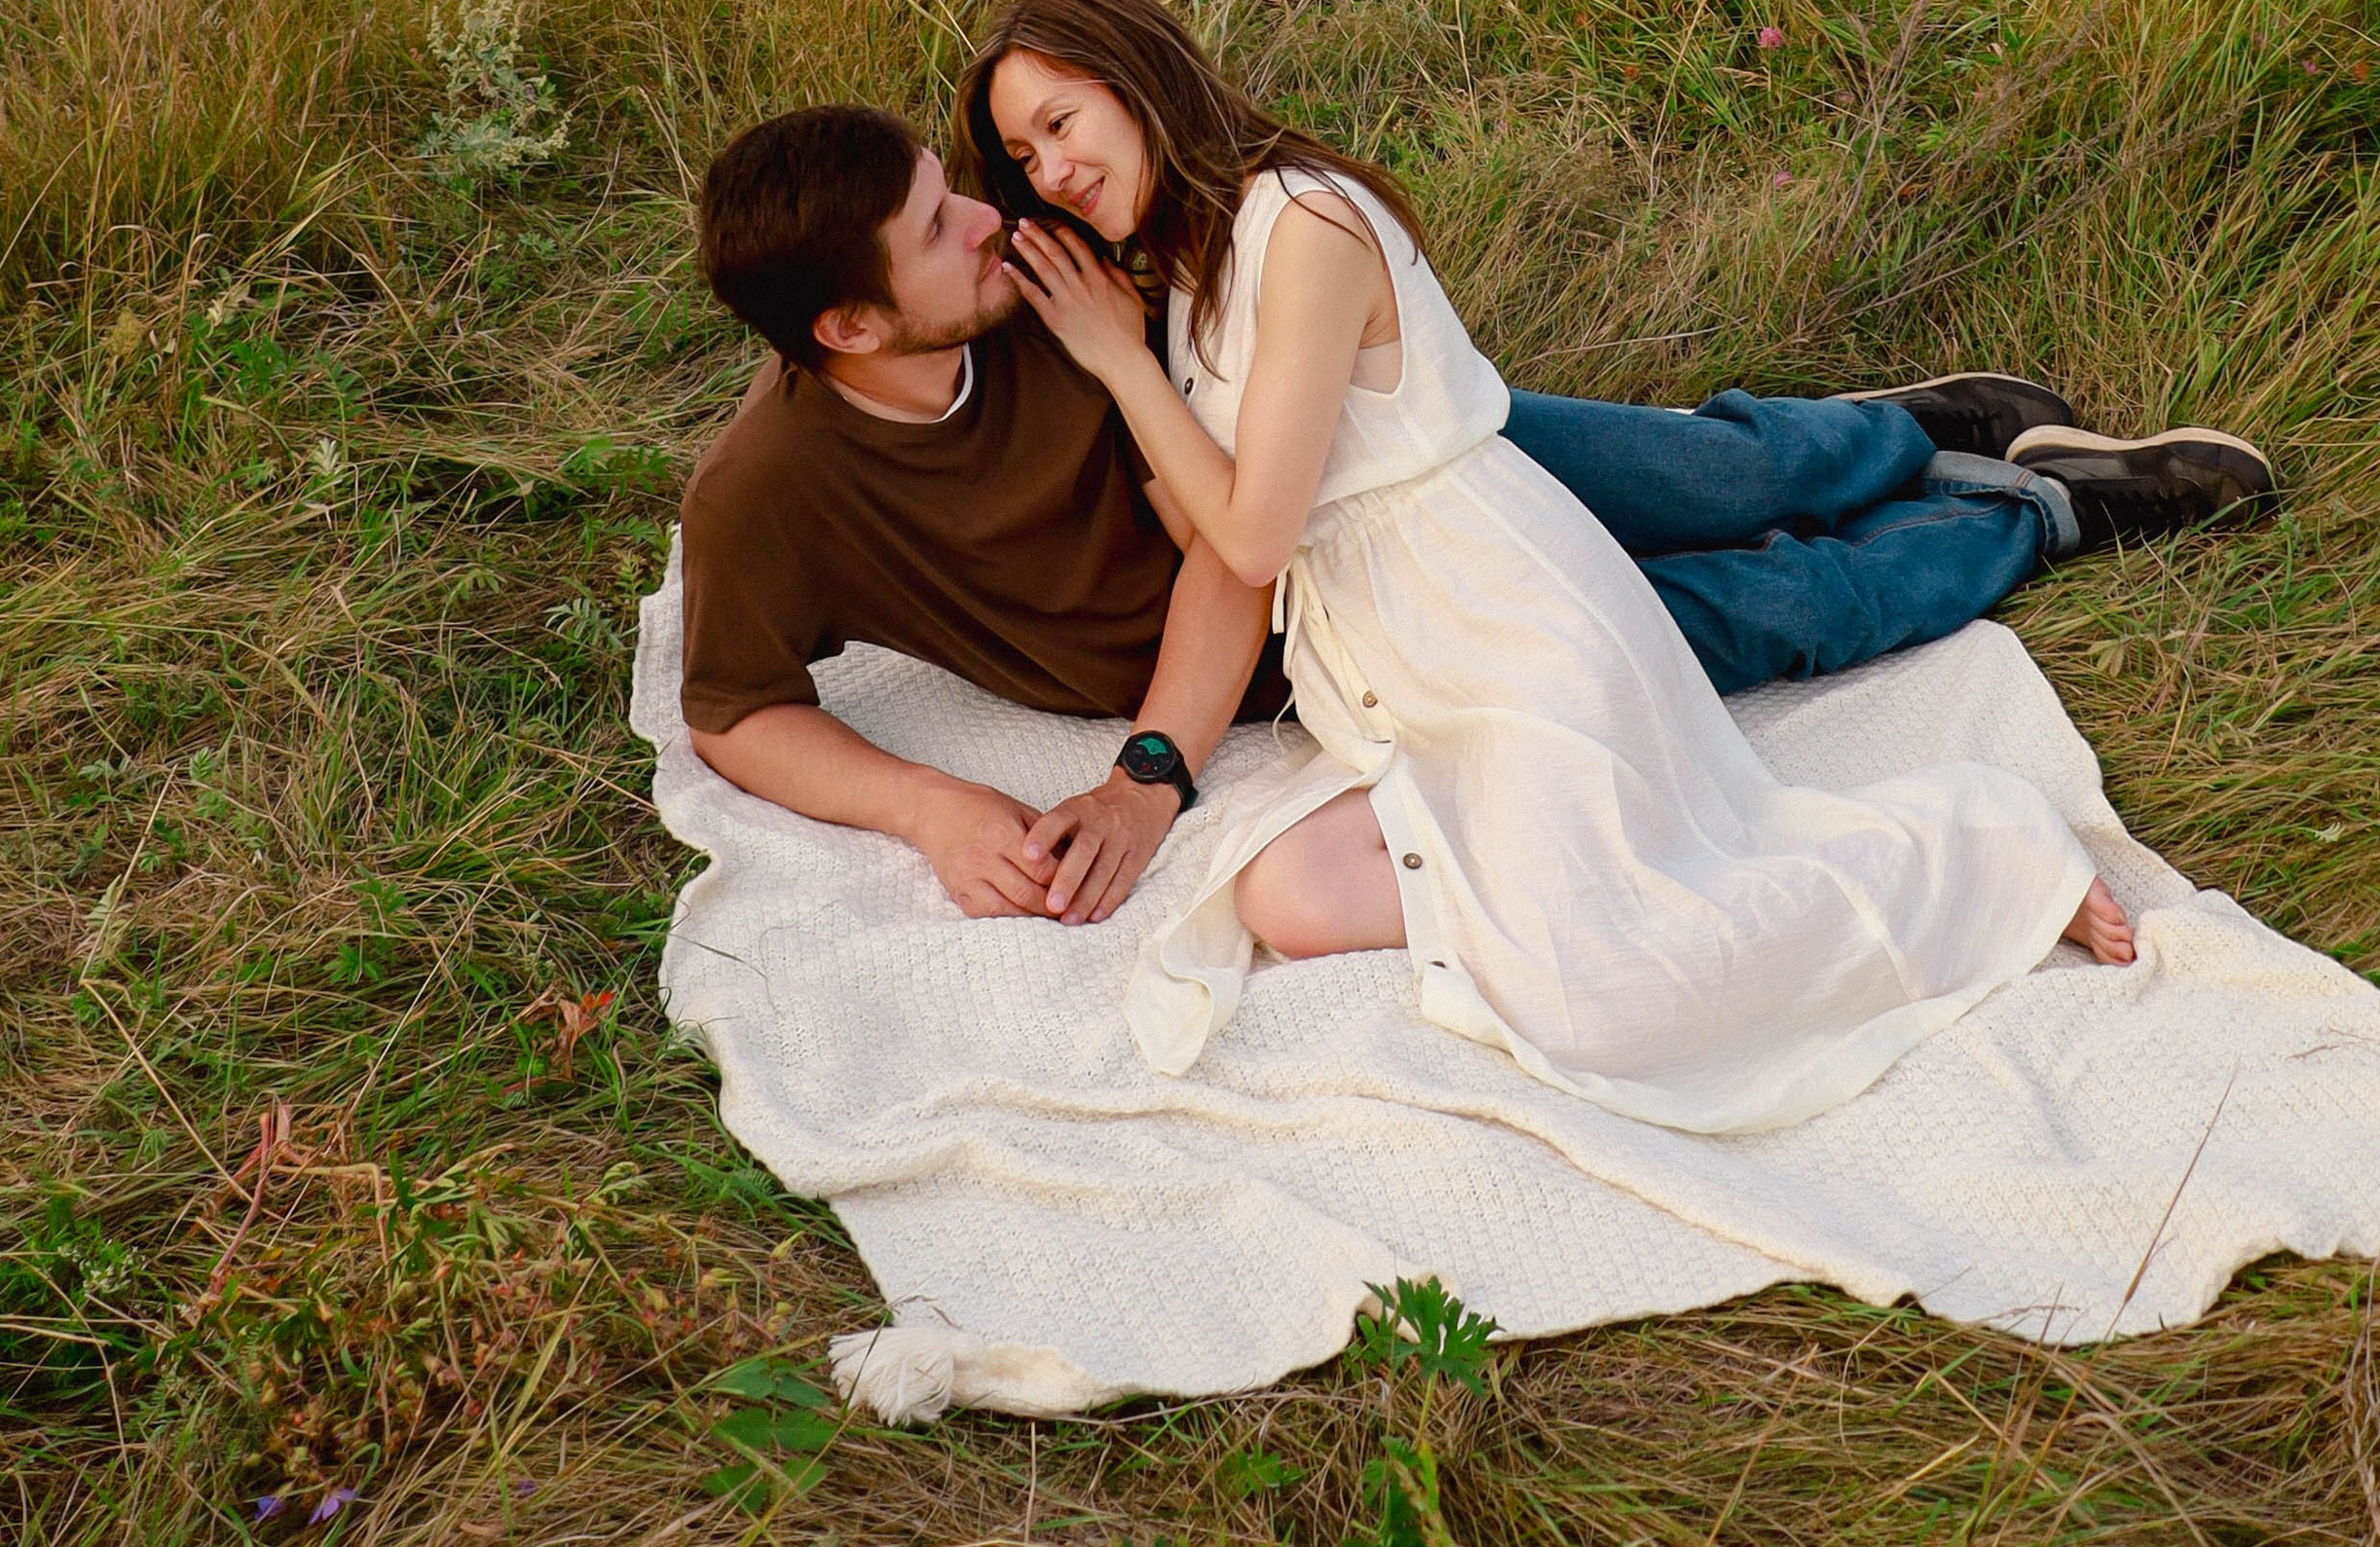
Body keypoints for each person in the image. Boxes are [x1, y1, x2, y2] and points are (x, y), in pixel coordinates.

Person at [966, 0, 2277, 1135]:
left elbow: (1254, 529)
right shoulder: (1185, 286)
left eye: (1061, 124)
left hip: (1497, 612)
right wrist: (1130, 356)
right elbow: (1213, 534)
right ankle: (1965, 481)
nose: (1048, 171)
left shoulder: (1300, 222)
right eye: (1021, 156)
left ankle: (1988, 841)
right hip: (1388, 666)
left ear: (1135, 80)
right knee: (1289, 894)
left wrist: (1115, 368)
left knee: (1611, 988)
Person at [678, 49, 2271, 960]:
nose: (995, 212)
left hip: (1376, 473)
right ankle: (2033, 513)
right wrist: (935, 806)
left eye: (961, 183)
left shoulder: (1053, 282)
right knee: (1770, 617)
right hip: (1351, 624)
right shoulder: (770, 491)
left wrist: (1152, 772)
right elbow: (740, 708)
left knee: (1723, 472)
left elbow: (1240, 499)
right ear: (851, 332)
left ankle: (1897, 427)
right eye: (941, 225)